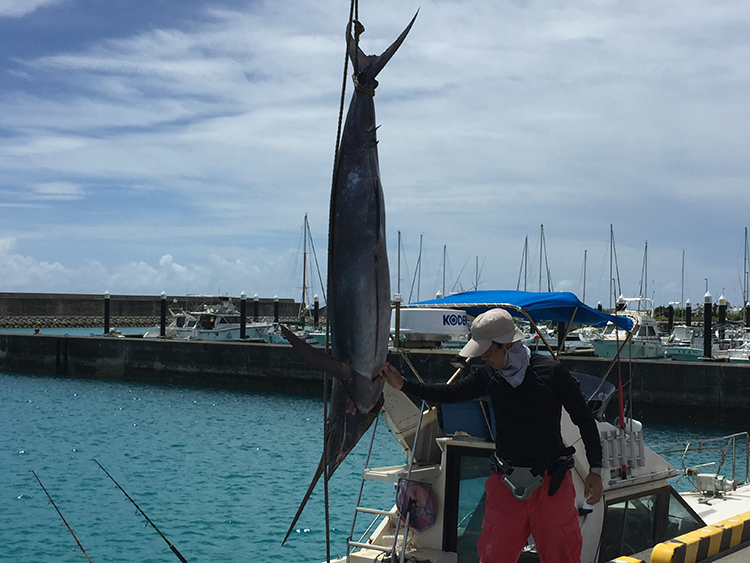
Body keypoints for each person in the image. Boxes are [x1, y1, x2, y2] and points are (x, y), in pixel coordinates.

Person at [379, 308, 603, 563]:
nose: (483, 356)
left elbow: (584, 419)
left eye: (488, 350)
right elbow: (449, 394)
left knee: (563, 557)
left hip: (551, 485)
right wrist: (405, 385)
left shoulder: (551, 372)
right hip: (506, 484)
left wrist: (595, 469)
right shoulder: (488, 375)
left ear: (507, 344)